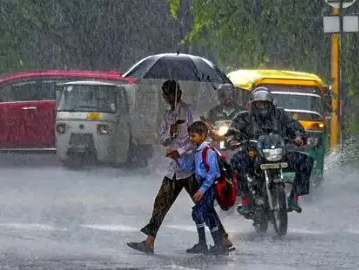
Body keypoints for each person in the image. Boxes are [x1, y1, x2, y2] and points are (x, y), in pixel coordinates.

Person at [126, 80, 233, 254]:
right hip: (174, 170)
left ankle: (223, 238)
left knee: (203, 206)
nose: (169, 97)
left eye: (171, 93)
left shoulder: (190, 112)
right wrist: (172, 132)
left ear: (179, 93)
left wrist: (181, 151)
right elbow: (162, 139)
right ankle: (149, 241)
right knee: (161, 203)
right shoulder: (168, 116)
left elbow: (198, 138)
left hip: (191, 169)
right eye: (166, 94)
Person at [228, 86, 314, 214]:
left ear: (270, 104)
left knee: (305, 161)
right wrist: (232, 141)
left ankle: (294, 197)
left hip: (279, 154)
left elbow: (295, 127)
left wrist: (298, 137)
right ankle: (245, 199)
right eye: (259, 104)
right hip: (254, 155)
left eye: (265, 104)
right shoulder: (244, 117)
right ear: (253, 104)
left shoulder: (280, 114)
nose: (262, 107)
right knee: (236, 161)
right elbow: (232, 132)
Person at [168, 121, 230, 254]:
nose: (191, 139)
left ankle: (215, 244)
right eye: (190, 136)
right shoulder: (197, 151)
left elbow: (212, 173)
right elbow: (190, 167)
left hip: (209, 187)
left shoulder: (208, 152)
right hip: (202, 185)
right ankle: (210, 243)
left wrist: (202, 190)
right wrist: (177, 158)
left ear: (203, 136)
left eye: (193, 136)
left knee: (201, 213)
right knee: (205, 214)